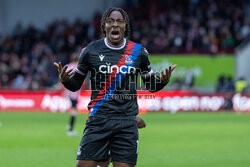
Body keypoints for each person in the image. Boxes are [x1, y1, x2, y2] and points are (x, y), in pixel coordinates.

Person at [54, 7, 176, 167]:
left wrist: (163, 81)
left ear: (126, 26)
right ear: (104, 26)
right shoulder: (90, 51)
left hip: (126, 123)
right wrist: (65, 80)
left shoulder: (138, 52)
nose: (115, 25)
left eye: (119, 21)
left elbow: (151, 86)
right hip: (98, 121)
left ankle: (109, 155)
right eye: (110, 21)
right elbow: (75, 84)